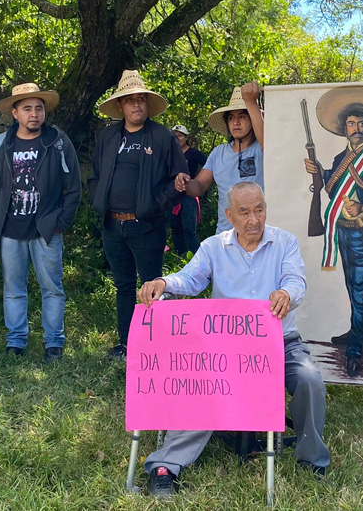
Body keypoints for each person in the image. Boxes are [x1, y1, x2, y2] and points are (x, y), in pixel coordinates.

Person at [137, 182, 331, 498]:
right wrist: (163, 282)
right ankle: (166, 467)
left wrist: (285, 293)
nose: (254, 220)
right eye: (245, 212)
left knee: (309, 379)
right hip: (226, 348)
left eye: (259, 210)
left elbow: (296, 279)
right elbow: (190, 279)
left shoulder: (285, 242)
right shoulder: (215, 247)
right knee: (204, 385)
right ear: (229, 215)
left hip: (280, 341)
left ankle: (313, 461)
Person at [303, 86, 363, 378]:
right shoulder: (340, 158)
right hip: (341, 231)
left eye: (361, 124)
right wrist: (318, 171)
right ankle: (357, 331)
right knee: (352, 286)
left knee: (361, 289)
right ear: (344, 128)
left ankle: (356, 347)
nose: (356, 129)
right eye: (351, 123)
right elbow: (333, 186)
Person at [0, 83, 81, 360]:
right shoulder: (1, 144)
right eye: (27, 109)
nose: (34, 114)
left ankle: (54, 342)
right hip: (10, 230)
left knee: (52, 288)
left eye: (39, 108)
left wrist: (61, 221)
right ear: (15, 113)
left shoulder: (57, 141)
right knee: (13, 290)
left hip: (46, 229)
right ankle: (16, 341)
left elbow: (74, 186)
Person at [88, 69, 186, 358]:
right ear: (120, 105)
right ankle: (127, 343)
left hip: (147, 226)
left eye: (141, 99)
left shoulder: (162, 137)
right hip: (112, 225)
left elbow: (179, 179)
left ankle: (153, 348)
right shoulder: (108, 136)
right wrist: (98, 198)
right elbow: (94, 176)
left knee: (152, 286)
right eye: (130, 100)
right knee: (123, 286)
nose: (136, 105)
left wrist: (153, 206)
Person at [175, 82, 264, 233]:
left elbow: (269, 142)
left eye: (242, 116)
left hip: (258, 233)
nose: (235, 122)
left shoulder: (263, 149)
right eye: (231, 118)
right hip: (225, 235)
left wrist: (251, 102)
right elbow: (200, 186)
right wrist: (186, 184)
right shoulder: (218, 153)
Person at [168, 124, 205, 256]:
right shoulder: (169, 155)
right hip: (173, 196)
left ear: (185, 137)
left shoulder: (193, 153)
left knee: (190, 229)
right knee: (176, 229)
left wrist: (199, 183)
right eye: (175, 135)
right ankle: (180, 257)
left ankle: (198, 258)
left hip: (189, 195)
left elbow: (209, 165)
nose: (177, 138)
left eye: (180, 135)